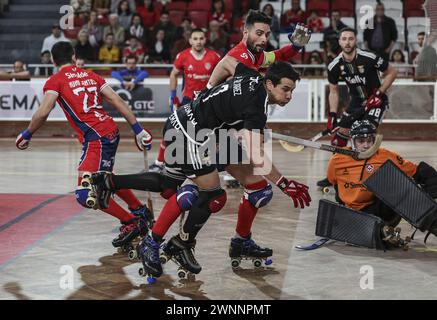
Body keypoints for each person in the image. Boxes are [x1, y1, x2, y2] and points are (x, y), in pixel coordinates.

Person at [91, 61, 311, 278]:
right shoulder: (257, 106)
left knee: (256, 187)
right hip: (190, 133)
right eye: (285, 89)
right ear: (270, 84)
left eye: (292, 90)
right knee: (212, 195)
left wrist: (207, 93)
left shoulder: (251, 75)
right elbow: (255, 151)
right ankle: (171, 243)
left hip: (205, 128)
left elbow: (227, 64)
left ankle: (109, 182)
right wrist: (284, 182)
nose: (289, 96)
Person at [15, 41, 154, 249]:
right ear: (73, 57)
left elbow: (43, 112)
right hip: (110, 131)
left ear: (53, 61)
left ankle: (132, 222)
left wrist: (27, 134)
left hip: (96, 138)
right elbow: (117, 100)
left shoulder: (55, 81)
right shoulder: (91, 75)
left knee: (85, 194)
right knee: (105, 178)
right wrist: (138, 130)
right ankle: (138, 209)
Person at [206, 10, 311, 187]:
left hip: (226, 121)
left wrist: (295, 47)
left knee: (256, 185)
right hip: (212, 123)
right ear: (245, 32)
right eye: (259, 34)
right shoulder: (240, 57)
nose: (264, 39)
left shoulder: (256, 55)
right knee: (202, 181)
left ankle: (228, 171)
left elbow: (278, 56)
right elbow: (252, 93)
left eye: (267, 35)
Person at [324, 119, 437, 247]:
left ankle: (434, 223)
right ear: (352, 141)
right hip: (354, 214)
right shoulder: (337, 160)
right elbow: (334, 183)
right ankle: (381, 233)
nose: (366, 145)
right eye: (361, 141)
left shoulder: (385, 155)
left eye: (370, 140)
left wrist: (431, 189)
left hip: (381, 209)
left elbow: (417, 171)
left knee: (395, 183)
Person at [317, 27, 398, 188]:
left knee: (366, 133)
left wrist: (379, 93)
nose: (347, 42)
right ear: (339, 42)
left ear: (356, 40)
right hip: (356, 104)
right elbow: (333, 91)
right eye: (344, 39)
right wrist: (332, 115)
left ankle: (373, 175)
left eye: (350, 38)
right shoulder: (334, 65)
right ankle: (333, 176)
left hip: (377, 101)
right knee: (339, 139)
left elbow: (392, 72)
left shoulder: (369, 57)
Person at [149, 28, 221, 173]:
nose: (198, 41)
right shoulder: (182, 56)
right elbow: (173, 74)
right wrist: (172, 95)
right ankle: (159, 163)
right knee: (173, 128)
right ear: (190, 41)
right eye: (195, 39)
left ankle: (220, 167)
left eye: (201, 38)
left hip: (208, 102)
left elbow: (224, 75)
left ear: (205, 40)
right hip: (188, 101)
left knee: (214, 133)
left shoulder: (215, 57)